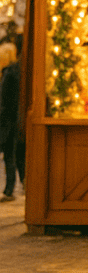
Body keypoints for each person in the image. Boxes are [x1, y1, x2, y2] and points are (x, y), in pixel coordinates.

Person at [0, 42, 21, 202]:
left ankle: (9, 189)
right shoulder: (12, 72)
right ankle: (10, 188)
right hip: (10, 120)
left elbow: (7, 100)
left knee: (9, 155)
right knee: (11, 155)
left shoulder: (10, 74)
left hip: (7, 120)